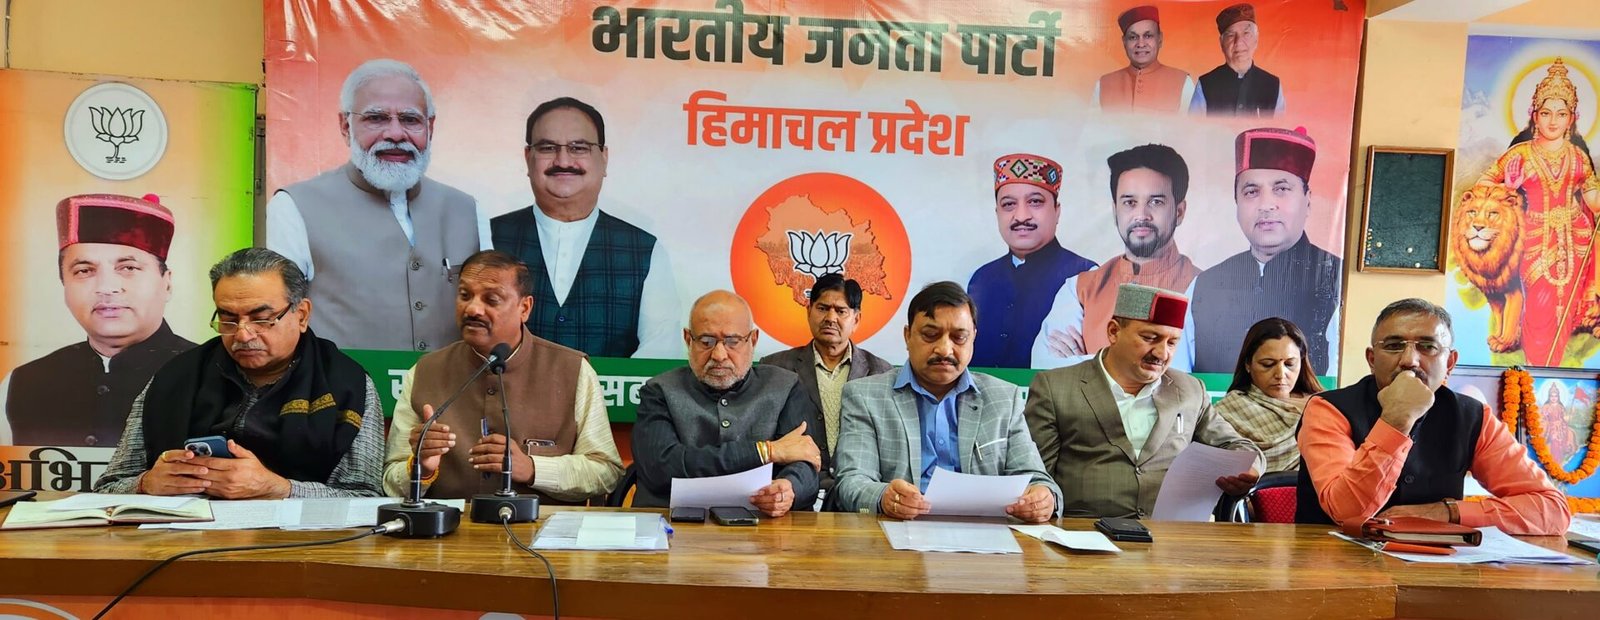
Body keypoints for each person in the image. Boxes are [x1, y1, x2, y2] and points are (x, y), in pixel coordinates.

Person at [93, 248, 384, 498]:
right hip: (183, 539)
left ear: (302, 315)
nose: (243, 335)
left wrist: (280, 489)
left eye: (262, 319)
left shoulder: (346, 384)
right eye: (228, 319)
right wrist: (145, 484)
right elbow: (107, 489)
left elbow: (366, 499)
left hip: (300, 543)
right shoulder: (176, 378)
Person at [1297, 298, 1570, 536]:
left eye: (1427, 347)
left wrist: (1446, 512)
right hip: (1335, 565)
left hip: (1439, 568)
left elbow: (1552, 509)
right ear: (1372, 359)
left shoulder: (1473, 417)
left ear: (1449, 363)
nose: (1409, 360)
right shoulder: (1328, 409)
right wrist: (1395, 421)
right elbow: (1347, 513)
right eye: (1393, 346)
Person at [268, 58, 486, 353]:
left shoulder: (467, 210)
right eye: (376, 118)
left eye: (410, 120)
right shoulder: (295, 206)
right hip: (345, 383)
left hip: (449, 383)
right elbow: (280, 320)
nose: (395, 134)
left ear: (430, 127)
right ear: (345, 126)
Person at [383, 250, 623, 503]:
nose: (473, 309)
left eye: (492, 299)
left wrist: (533, 468)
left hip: (543, 526)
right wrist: (421, 469)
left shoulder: (572, 370)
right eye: (465, 295)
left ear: (524, 308)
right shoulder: (426, 371)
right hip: (449, 527)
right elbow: (390, 482)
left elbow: (606, 472)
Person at [1025, 283, 1261, 519]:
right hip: (1083, 533)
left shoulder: (1189, 390)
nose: (1162, 353)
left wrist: (1249, 468)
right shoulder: (1056, 387)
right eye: (1149, 338)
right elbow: (1033, 472)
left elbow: (1241, 448)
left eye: (1172, 342)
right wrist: (1040, 501)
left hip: (1172, 534)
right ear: (1113, 332)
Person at [833, 282, 1061, 523]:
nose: (944, 349)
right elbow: (852, 482)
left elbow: (1036, 479)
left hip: (987, 535)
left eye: (959, 337)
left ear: (973, 338)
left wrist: (1043, 498)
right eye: (930, 335)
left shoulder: (1003, 398)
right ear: (908, 336)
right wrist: (884, 497)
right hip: (898, 530)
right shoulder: (865, 396)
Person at [492, 97, 680, 359]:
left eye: (579, 148)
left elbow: (658, 353)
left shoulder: (645, 251)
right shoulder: (486, 238)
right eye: (547, 147)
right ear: (528, 158)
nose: (563, 160)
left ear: (604, 158)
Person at [1, 194, 195, 447]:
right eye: (84, 271)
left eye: (128, 268)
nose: (106, 287)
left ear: (166, 283)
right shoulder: (24, 381)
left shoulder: (210, 373)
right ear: (64, 285)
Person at [631, 291, 821, 516]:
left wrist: (789, 488)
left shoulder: (785, 386)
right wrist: (765, 451)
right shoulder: (659, 392)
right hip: (673, 524)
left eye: (732, 341)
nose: (719, 355)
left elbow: (806, 461)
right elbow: (662, 467)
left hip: (764, 526)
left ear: (753, 340)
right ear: (688, 339)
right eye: (706, 341)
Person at [1476, 58, 1600, 366]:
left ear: (1572, 118)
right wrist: (1509, 188)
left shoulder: (1578, 157)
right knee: (1539, 306)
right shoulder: (1519, 154)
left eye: (1561, 114)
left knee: (1566, 309)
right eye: (1546, 113)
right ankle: (1535, 368)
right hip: (1534, 239)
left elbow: (1593, 199)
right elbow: (1483, 186)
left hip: (1575, 238)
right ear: (1535, 116)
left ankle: (1555, 368)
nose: (1553, 121)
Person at [1033, 144, 1199, 370]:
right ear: (1115, 211)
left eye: (1156, 202)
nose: (1141, 215)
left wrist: (1090, 363)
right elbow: (1045, 365)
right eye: (1129, 202)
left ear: (1179, 212)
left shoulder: (1201, 287)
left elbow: (1181, 374)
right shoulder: (1081, 288)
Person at [1190, 127, 1341, 374]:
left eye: (1281, 189)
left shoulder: (1338, 279)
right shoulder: (1204, 284)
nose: (1266, 205)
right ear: (1237, 203)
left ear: (1307, 200)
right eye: (1251, 192)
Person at [758, 273, 892, 505]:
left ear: (856, 319)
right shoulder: (775, 367)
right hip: (794, 495)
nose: (830, 318)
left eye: (841, 311)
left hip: (858, 496)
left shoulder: (881, 373)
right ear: (808, 311)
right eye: (822, 308)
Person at [968, 153, 1096, 368]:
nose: (1021, 216)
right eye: (1009, 204)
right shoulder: (982, 278)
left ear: (1057, 212)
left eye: (1035, 202)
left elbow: (1102, 361)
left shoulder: (1087, 277)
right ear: (997, 213)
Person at [1212, 318, 1325, 472]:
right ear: (1248, 364)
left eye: (1290, 364)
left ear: (1302, 362)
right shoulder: (1225, 413)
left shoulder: (1325, 407)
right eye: (1268, 364)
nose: (1280, 374)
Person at [1091, 6, 1196, 114]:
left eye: (1148, 36)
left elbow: (1194, 124)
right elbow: (1092, 125)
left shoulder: (1183, 82)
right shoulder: (1103, 84)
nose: (1141, 44)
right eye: (1133, 37)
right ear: (1124, 42)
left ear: (1160, 39)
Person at [1192, 4, 1286, 117]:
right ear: (1221, 43)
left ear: (1256, 39)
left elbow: (1280, 126)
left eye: (1246, 33)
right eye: (1231, 35)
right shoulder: (1206, 84)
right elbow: (1192, 127)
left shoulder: (1272, 85)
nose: (1239, 42)